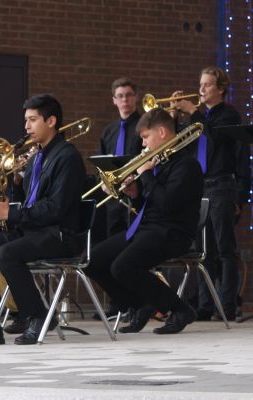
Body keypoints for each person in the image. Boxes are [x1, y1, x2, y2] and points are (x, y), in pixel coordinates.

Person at [0, 94, 86, 346]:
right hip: (33, 231)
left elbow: (57, 208)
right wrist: (17, 182)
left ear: (51, 121)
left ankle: (37, 315)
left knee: (7, 254)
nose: (26, 127)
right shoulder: (36, 157)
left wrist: (12, 213)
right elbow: (29, 200)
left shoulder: (68, 157)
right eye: (26, 120)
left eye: (32, 120)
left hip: (59, 234)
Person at [86, 108, 203, 335]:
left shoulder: (187, 166)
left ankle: (180, 309)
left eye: (145, 137)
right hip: (147, 228)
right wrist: (134, 194)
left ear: (161, 132)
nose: (143, 144)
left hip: (173, 233)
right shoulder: (159, 163)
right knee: (93, 261)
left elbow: (168, 205)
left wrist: (146, 174)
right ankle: (140, 304)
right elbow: (150, 206)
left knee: (122, 266)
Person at [171, 66, 246, 321]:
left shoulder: (228, 114)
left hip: (222, 185)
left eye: (207, 85)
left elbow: (212, 137)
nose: (201, 89)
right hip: (200, 187)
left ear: (221, 88)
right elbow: (179, 143)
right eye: (200, 84)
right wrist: (174, 116)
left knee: (225, 249)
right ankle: (205, 305)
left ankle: (227, 305)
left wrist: (193, 112)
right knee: (205, 251)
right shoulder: (200, 117)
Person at [96, 77, 144, 321]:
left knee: (131, 250)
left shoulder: (142, 126)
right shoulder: (109, 131)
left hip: (136, 197)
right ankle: (119, 301)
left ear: (135, 97)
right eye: (120, 96)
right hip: (115, 200)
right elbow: (103, 165)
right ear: (113, 100)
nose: (125, 100)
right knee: (112, 247)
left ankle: (137, 300)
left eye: (129, 95)